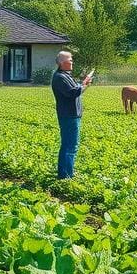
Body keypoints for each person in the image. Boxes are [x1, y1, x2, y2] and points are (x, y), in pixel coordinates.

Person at [51, 50, 92, 179]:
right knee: (69, 146)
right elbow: (72, 92)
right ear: (63, 63)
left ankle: (67, 172)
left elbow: (76, 91)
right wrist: (84, 84)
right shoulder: (60, 77)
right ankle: (65, 176)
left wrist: (84, 85)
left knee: (70, 145)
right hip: (69, 116)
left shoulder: (65, 76)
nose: (72, 62)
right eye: (70, 60)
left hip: (72, 115)